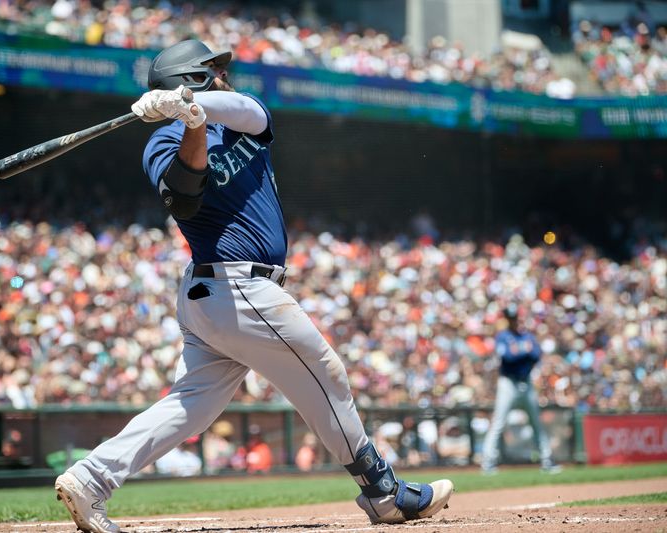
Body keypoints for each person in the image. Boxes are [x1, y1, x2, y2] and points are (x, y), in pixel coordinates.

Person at [53, 39, 453, 533]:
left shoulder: (239, 116)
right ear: (191, 77)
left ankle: (91, 478)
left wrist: (193, 108)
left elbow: (249, 110)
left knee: (192, 405)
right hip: (234, 287)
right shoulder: (159, 143)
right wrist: (187, 122)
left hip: (225, 297)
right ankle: (383, 491)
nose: (224, 76)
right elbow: (184, 197)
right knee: (327, 375)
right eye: (213, 71)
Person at [481, 305, 561, 475]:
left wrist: (521, 351)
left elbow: (536, 355)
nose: (513, 320)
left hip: (526, 383)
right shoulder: (503, 336)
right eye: (510, 318)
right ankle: (488, 462)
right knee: (498, 423)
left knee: (536, 423)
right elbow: (507, 357)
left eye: (514, 317)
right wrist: (524, 350)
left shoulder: (527, 336)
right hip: (508, 384)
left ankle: (547, 460)